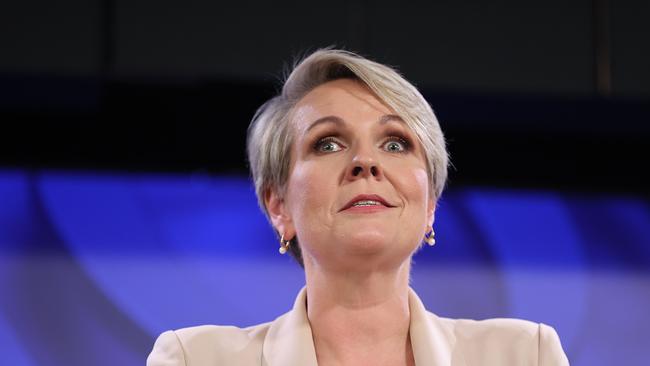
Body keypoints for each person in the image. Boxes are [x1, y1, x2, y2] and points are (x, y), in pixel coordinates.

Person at [147, 49, 569, 366]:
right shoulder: (194, 359)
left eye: (395, 143)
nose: (366, 162)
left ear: (430, 207)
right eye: (327, 143)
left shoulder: (523, 355)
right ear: (279, 206)